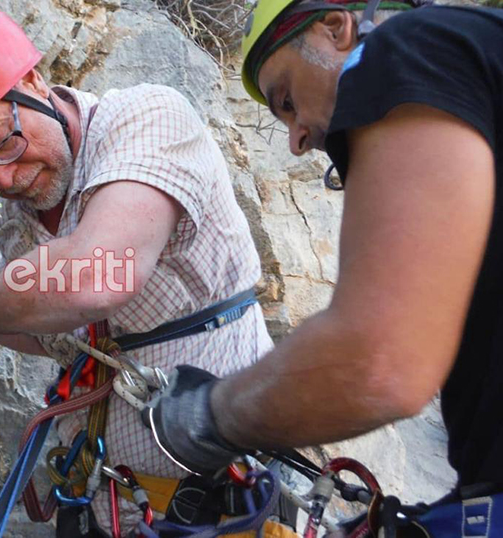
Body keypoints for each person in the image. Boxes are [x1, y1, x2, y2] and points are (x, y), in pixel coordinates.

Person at [0, 0, 273, 533]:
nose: (5, 181)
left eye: (3, 145)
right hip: (107, 505)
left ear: (32, 80)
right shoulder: (17, 220)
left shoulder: (147, 119)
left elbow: (101, 273)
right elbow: (52, 335)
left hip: (218, 506)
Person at [148, 0, 503, 532]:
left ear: (336, 28)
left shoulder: (406, 46)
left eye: (287, 100)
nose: (296, 140)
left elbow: (379, 363)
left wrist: (206, 416)